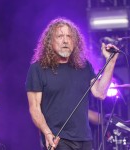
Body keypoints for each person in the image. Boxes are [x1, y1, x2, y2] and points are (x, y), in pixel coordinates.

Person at [25, 17, 118, 150]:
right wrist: (47, 132)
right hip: (57, 139)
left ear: (75, 41)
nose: (65, 40)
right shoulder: (38, 69)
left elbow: (100, 93)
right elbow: (34, 108)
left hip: (84, 139)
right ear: (50, 41)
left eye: (69, 36)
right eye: (60, 36)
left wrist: (111, 61)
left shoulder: (84, 66)